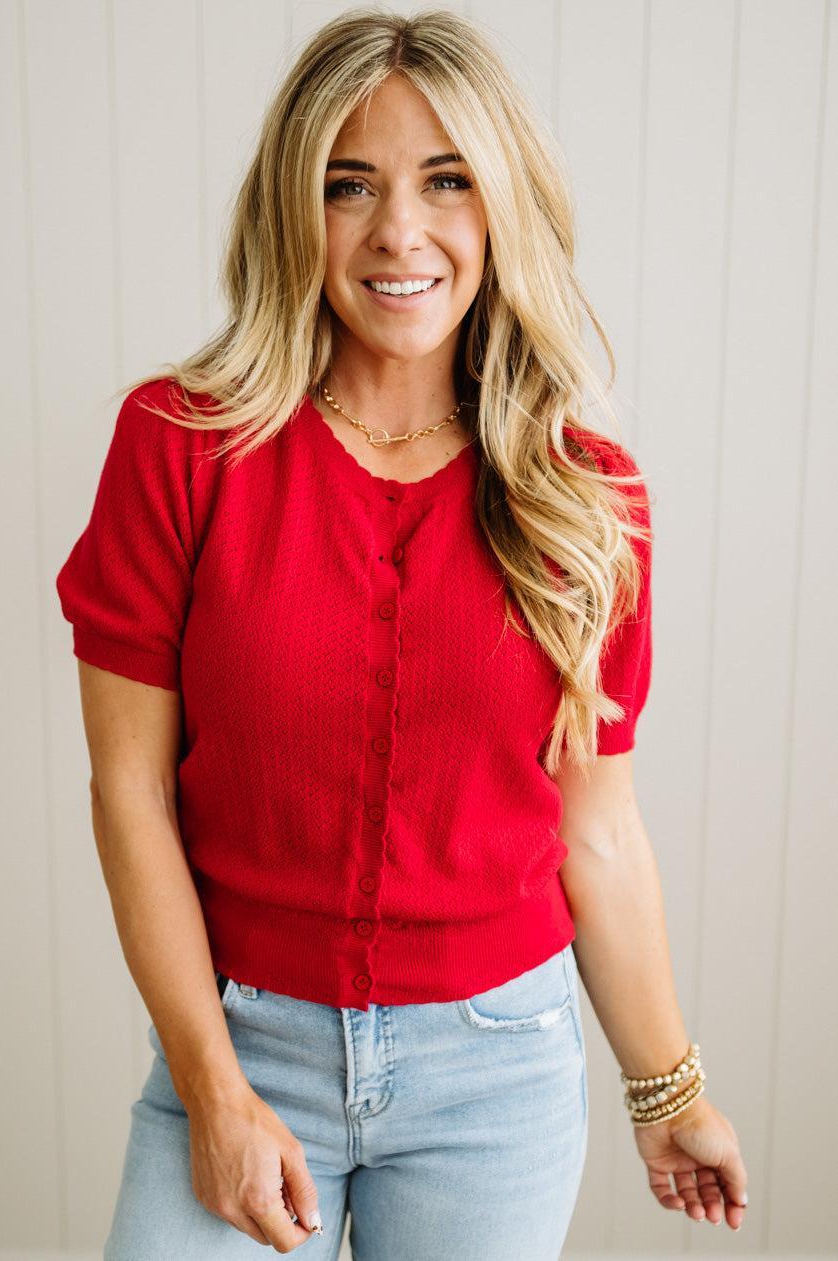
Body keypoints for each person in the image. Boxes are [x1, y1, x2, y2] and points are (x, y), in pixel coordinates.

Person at [54, 8, 749, 1258]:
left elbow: (597, 831)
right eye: (348, 185)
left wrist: (671, 1091)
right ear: (292, 211)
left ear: (502, 208)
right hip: (243, 1044)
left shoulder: (586, 498)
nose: (398, 233)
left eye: (446, 183)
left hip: (498, 1080)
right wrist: (213, 1088)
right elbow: (127, 793)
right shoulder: (180, 447)